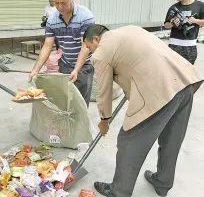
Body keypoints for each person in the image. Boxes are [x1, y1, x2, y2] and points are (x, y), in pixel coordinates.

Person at [83, 24, 203, 197]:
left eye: (88, 47)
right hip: (185, 81)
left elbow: (104, 91)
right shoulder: (130, 30)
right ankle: (162, 182)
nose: (89, 51)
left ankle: (119, 191)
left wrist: (104, 120)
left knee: (128, 140)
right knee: (172, 139)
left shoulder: (101, 52)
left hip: (160, 90)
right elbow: (141, 59)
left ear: (95, 39)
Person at [29, 0, 95, 106]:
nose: (59, 7)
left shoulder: (85, 16)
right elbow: (47, 46)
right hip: (64, 64)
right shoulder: (52, 18)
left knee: (80, 104)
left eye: (63, 3)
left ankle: (79, 125)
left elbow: (85, 46)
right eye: (56, 3)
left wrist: (76, 70)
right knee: (64, 102)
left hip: (83, 66)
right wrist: (35, 69)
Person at [164, 0, 204, 64]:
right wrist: (172, 23)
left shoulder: (200, 6)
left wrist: (195, 20)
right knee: (172, 73)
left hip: (190, 46)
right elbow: (166, 25)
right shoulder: (173, 8)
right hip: (174, 46)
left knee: (188, 73)